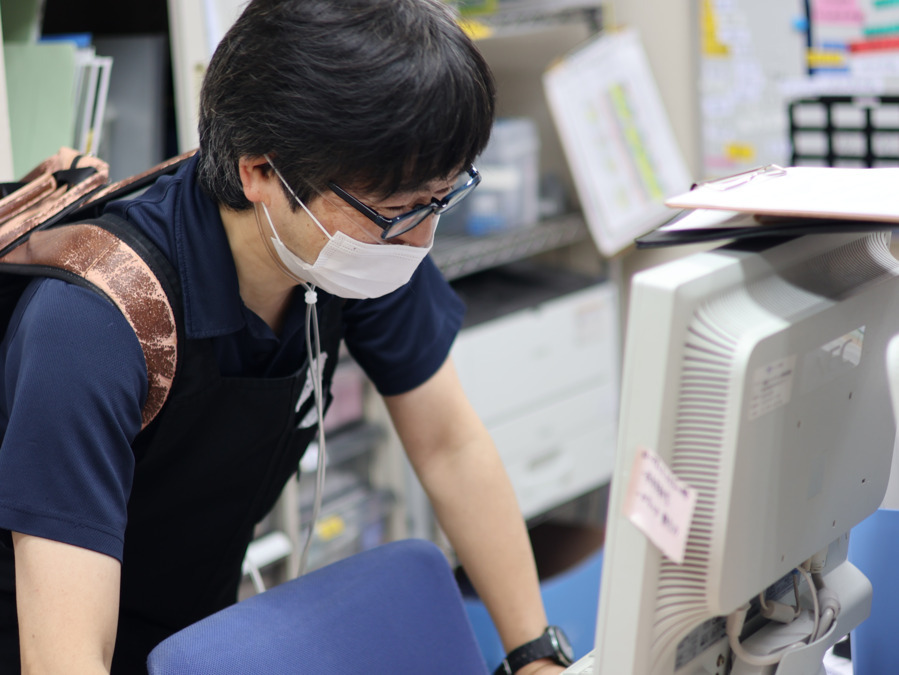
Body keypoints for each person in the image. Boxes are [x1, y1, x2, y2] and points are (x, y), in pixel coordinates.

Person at [0, 1, 570, 673]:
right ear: (260, 172)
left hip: (192, 627)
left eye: (441, 198)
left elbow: (450, 445)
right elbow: (61, 658)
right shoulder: (93, 325)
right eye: (397, 210)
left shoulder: (360, 245)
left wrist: (535, 655)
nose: (420, 238)